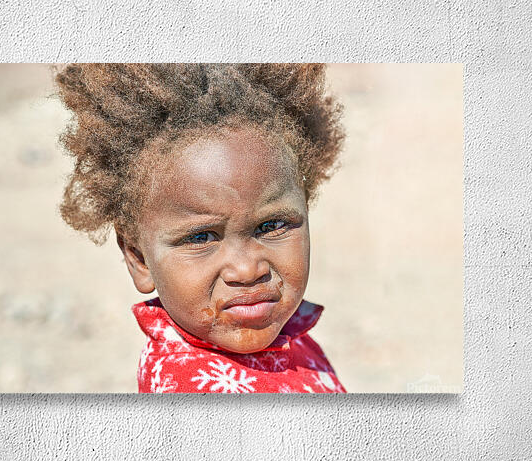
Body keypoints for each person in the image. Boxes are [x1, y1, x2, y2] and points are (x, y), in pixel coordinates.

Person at [53, 63, 347, 394]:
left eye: (272, 225)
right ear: (139, 259)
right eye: (201, 237)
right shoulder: (192, 387)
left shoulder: (290, 339)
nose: (247, 269)